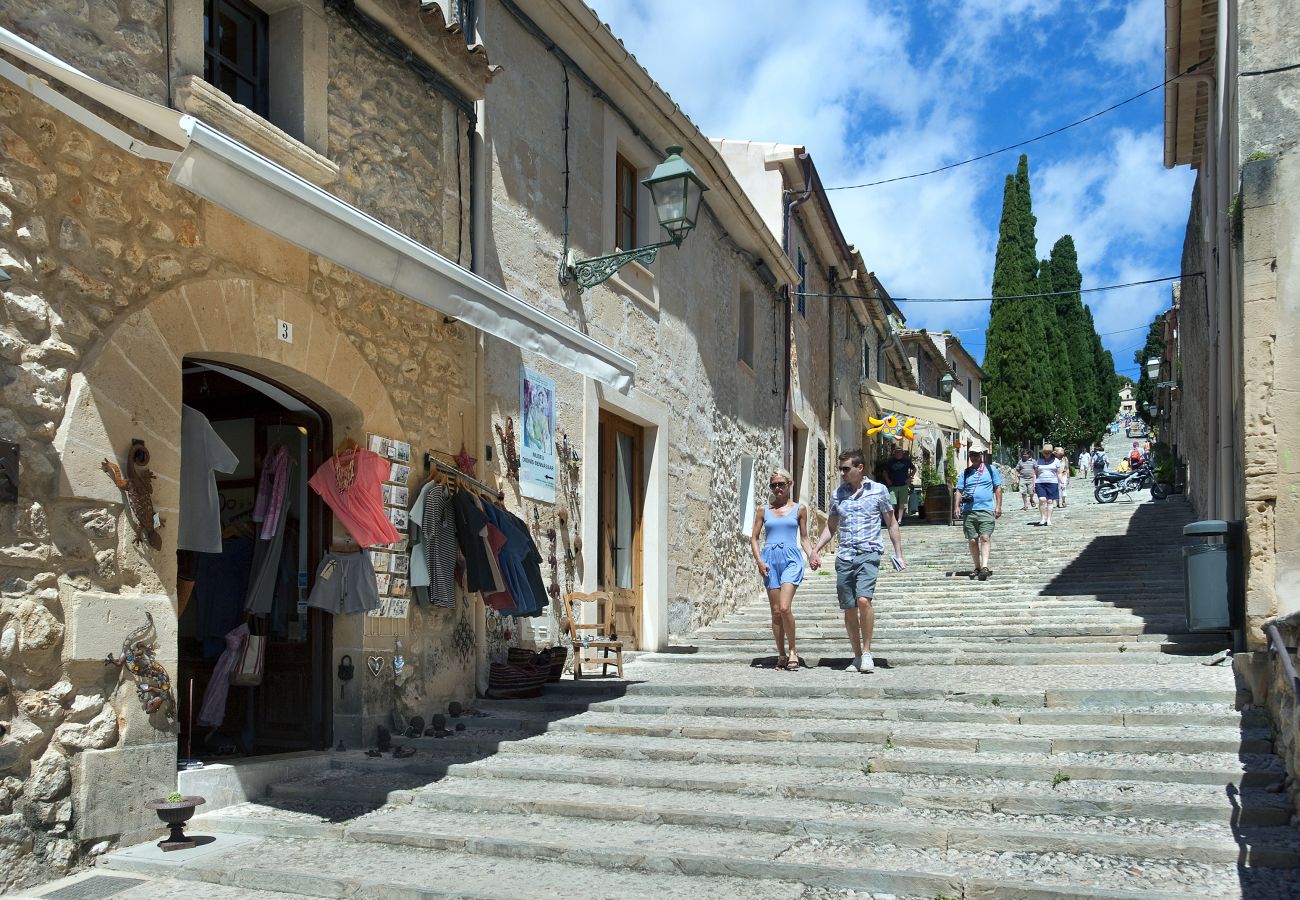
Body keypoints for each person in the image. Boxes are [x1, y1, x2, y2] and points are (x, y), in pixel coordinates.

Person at [810, 448, 906, 674]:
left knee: (863, 600)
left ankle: (867, 652)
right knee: (850, 607)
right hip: (845, 556)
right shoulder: (837, 494)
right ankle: (856, 656)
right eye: (840, 469)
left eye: (846, 469)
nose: (842, 473)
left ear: (859, 468)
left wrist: (899, 554)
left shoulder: (879, 491)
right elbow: (831, 526)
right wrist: (815, 550)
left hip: (869, 553)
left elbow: (891, 523)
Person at [749, 468, 811, 671]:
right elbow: (754, 538)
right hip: (769, 560)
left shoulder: (799, 509)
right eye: (774, 485)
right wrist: (759, 561)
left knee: (784, 607)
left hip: (791, 559)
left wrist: (812, 555)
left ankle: (793, 650)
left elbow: (804, 537)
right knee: (775, 612)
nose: (777, 488)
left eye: (781, 484)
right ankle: (781, 654)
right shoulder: (763, 510)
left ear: (789, 485)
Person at [952, 445, 1003, 581]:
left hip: (986, 509)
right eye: (971, 455)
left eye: (976, 455)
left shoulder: (990, 470)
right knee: (972, 540)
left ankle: (985, 567)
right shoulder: (966, 472)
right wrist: (956, 506)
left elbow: (998, 488)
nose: (973, 457)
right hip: (969, 511)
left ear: (981, 455)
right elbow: (959, 490)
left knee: (985, 537)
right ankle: (977, 567)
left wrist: (998, 506)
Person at [882, 445, 916, 521]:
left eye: (899, 452)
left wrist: (910, 478)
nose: (898, 453)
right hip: (893, 485)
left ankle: (899, 519)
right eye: (896, 452)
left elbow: (914, 469)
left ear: (902, 453)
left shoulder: (906, 460)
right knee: (892, 503)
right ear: (894, 453)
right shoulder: (890, 461)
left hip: (903, 485)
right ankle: (892, 519)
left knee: (901, 503)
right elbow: (885, 471)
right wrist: (887, 480)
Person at [1033, 443, 1062, 526]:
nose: (1047, 454)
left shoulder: (1056, 461)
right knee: (1042, 499)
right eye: (1045, 453)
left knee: (1049, 501)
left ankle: (1048, 519)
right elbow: (1035, 473)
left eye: (1048, 453)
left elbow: (1059, 473)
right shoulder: (1038, 461)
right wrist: (1034, 483)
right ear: (1042, 453)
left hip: (1052, 482)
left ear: (1051, 453)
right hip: (1040, 482)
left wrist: (1062, 482)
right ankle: (1042, 518)